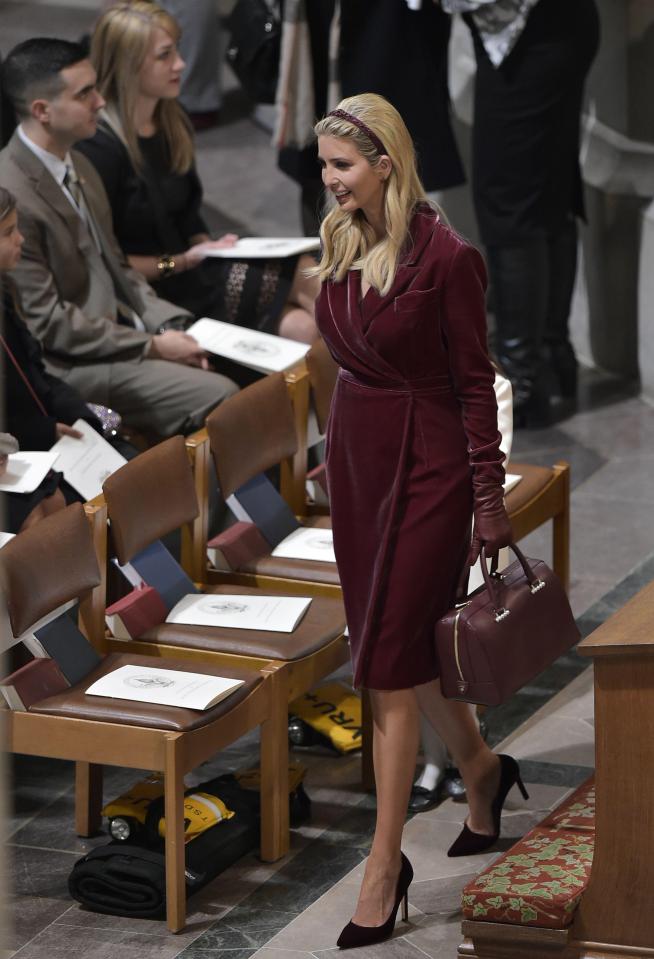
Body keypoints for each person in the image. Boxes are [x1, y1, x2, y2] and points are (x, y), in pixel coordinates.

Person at [313, 94, 520, 948]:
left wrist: (488, 500)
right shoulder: (342, 237)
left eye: (344, 167)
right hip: (362, 464)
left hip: (429, 468)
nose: (330, 183)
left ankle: (383, 862)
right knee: (400, 649)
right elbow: (346, 362)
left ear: (387, 163)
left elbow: (475, 384)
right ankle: (482, 769)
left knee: (386, 669)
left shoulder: (449, 257)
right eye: (324, 166)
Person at [0, 37, 238, 438]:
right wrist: (152, 346)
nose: (100, 102)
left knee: (229, 355)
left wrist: (167, 326)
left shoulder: (77, 162)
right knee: (225, 396)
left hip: (119, 332)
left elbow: (118, 268)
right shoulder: (13, 197)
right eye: (85, 93)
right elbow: (49, 325)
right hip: (71, 364)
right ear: (42, 110)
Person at [78, 1, 319, 343]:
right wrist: (183, 260)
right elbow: (108, 263)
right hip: (153, 292)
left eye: (176, 50)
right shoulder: (97, 151)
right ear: (128, 65)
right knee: (306, 312)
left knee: (307, 297)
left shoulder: (171, 121)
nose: (181, 63)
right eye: (164, 56)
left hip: (194, 268)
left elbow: (189, 216)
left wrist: (210, 246)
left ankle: (374, 378)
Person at [441, 0, 600, 426]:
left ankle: (524, 383)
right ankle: (551, 359)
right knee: (548, 194)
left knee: (509, 204)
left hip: (527, 37)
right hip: (552, 27)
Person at [0, 186, 127, 532]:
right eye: (9, 232)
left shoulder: (5, 294)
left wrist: (75, 413)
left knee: (126, 462)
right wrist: (42, 430)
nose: (21, 240)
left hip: (40, 432)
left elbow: (35, 373)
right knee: (47, 507)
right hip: (18, 443)